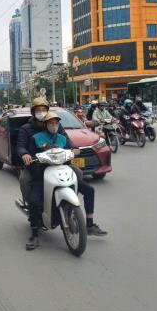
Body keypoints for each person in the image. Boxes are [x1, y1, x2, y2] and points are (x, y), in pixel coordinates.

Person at [17, 98, 107, 251]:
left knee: (85, 185)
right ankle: (34, 233)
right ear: (33, 112)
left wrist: (74, 149)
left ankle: (89, 224)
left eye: (44, 109)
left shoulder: (56, 128)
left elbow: (68, 142)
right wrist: (25, 154)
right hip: (38, 167)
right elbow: (21, 146)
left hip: (60, 165)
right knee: (31, 193)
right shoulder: (27, 129)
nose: (42, 113)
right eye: (38, 110)